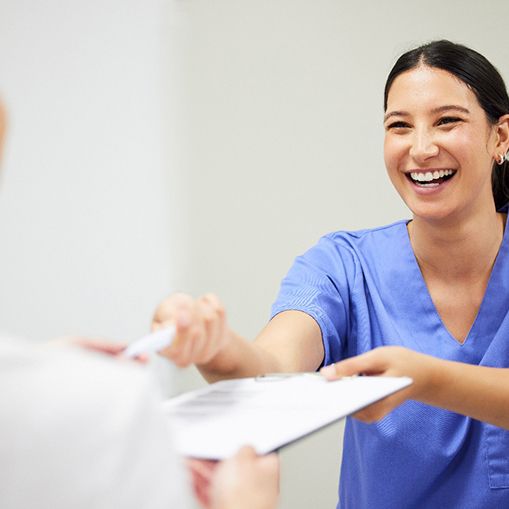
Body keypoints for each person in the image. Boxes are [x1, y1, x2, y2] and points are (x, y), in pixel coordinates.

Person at [152, 40, 509, 509]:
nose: (421, 148)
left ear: (500, 137)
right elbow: (273, 368)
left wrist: (423, 378)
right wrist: (217, 345)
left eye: (447, 121)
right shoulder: (343, 265)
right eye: (399, 126)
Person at [0, 100, 279, 509]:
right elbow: (281, 370)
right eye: (397, 125)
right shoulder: (105, 409)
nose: (412, 148)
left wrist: (42, 363)